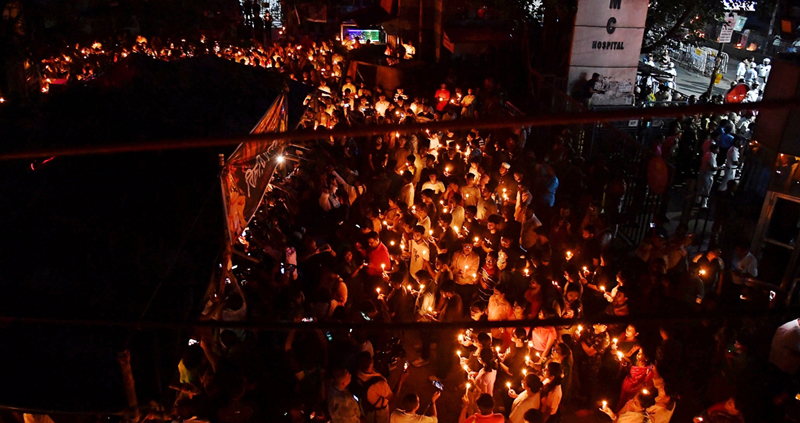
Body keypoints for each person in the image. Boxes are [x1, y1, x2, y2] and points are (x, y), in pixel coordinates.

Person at [697, 144, 720, 208]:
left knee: (701, 188)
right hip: (708, 175)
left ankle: (698, 201)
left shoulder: (707, 154)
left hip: (703, 173)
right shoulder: (711, 156)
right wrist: (720, 167)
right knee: (707, 190)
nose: (718, 150)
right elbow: (713, 168)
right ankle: (704, 204)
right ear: (714, 149)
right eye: (717, 149)